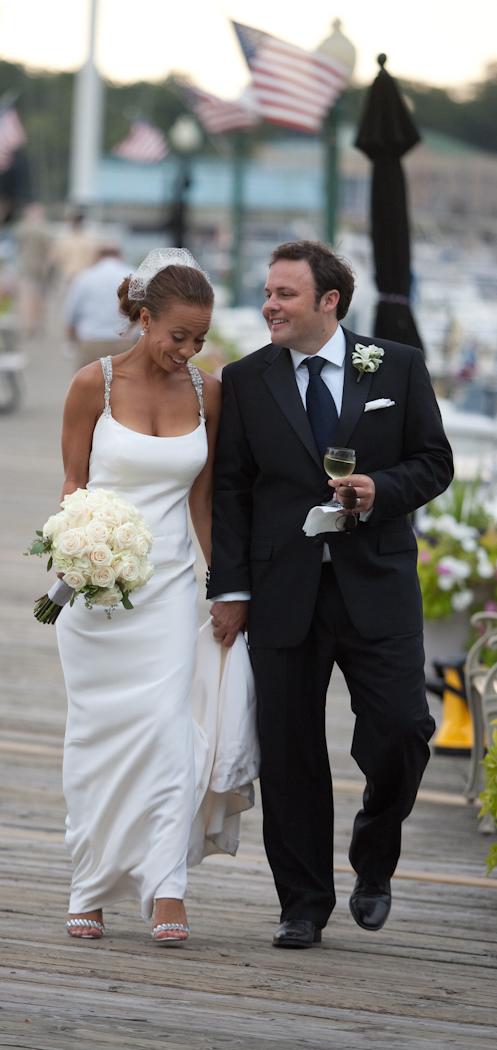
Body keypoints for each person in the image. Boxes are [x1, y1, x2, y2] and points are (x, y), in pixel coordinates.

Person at [209, 240, 453, 948]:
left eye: (286, 294)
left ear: (329, 302)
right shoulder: (245, 379)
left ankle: (374, 856)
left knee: (404, 729)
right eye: (267, 292)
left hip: (376, 583)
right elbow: (231, 490)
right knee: (288, 752)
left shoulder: (396, 365)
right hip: (282, 587)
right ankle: (304, 904)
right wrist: (229, 587)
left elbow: (434, 462)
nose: (269, 305)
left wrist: (382, 491)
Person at [55, 249, 233, 944]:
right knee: (96, 741)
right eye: (177, 336)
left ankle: (167, 888)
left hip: (168, 596)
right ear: (143, 317)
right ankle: (90, 884)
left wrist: (226, 591)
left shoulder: (207, 393)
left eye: (199, 339)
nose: (186, 351)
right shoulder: (89, 387)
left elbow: (206, 503)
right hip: (97, 598)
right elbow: (72, 490)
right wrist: (77, 562)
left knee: (168, 736)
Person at [63, 245, 134, 370]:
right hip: (125, 342)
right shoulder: (133, 275)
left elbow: (71, 315)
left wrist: (71, 343)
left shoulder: (84, 277)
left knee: (88, 386)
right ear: (120, 256)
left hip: (91, 341)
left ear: (98, 256)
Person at [16, 203, 52, 335]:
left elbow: (18, 245)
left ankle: (27, 325)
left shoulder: (22, 227)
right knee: (40, 298)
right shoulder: (44, 228)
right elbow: (49, 248)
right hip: (41, 267)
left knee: (26, 296)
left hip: (26, 266)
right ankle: (39, 324)